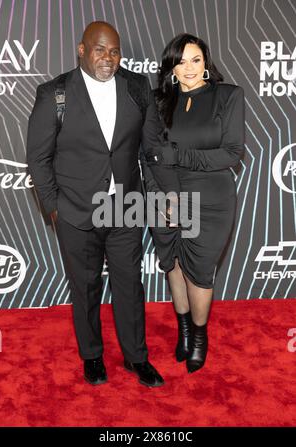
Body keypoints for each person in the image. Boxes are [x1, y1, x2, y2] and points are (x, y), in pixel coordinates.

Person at [26, 21, 164, 387]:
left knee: (130, 286)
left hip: (126, 208)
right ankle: (92, 356)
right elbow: (38, 159)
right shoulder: (54, 93)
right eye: (100, 49)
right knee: (84, 288)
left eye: (115, 51)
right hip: (75, 210)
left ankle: (137, 357)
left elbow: (151, 148)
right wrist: (55, 208)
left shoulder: (136, 87)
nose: (109, 58)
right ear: (82, 50)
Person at [140, 33, 245, 373]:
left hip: (211, 199)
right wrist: (165, 197)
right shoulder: (158, 102)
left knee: (199, 272)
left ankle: (199, 336)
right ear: (171, 66)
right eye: (180, 61)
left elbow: (231, 154)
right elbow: (150, 155)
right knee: (173, 264)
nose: (188, 68)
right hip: (165, 195)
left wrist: (179, 154)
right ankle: (184, 329)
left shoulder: (227, 96)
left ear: (206, 62)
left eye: (195, 60)